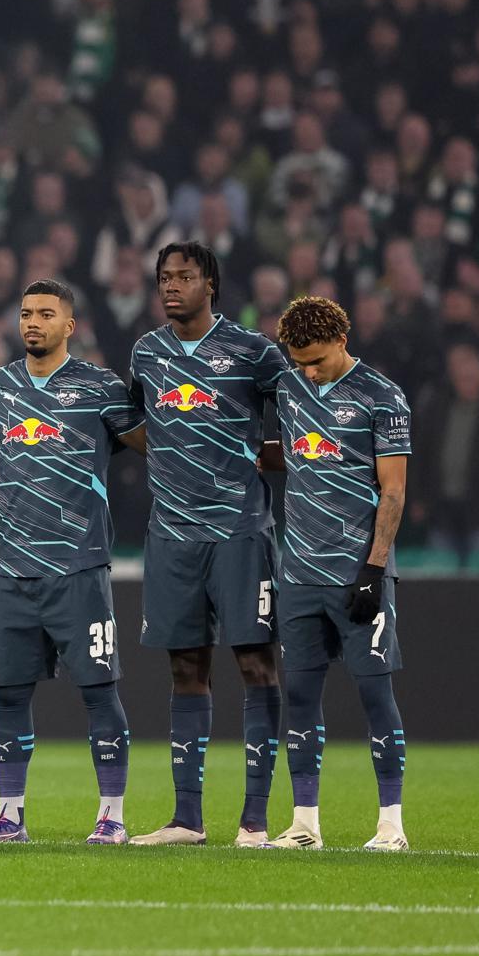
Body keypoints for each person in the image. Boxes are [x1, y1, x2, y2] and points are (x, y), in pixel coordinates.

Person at [0, 281, 146, 845]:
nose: (33, 322)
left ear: (70, 325)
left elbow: (153, 445)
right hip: (13, 569)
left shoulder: (100, 388)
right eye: (25, 314)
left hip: (79, 567)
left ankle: (111, 815)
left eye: (46, 314)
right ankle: (9, 817)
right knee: (10, 693)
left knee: (98, 690)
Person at [126, 241, 290, 847]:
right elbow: (135, 427)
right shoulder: (146, 352)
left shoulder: (253, 352)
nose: (172, 287)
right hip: (172, 535)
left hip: (241, 532)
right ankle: (187, 819)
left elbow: (302, 422)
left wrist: (253, 460)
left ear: (210, 284)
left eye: (184, 276)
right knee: (185, 667)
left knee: (254, 662)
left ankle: (254, 818)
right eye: (165, 277)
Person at [267, 296, 411, 851]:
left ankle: (391, 825)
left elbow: (393, 491)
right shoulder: (288, 387)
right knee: (299, 696)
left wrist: (374, 570)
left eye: (317, 360)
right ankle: (305, 823)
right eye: (299, 361)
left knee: (375, 693)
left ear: (341, 341)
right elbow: (301, 453)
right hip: (298, 570)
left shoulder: (382, 395)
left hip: (357, 570)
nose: (308, 370)